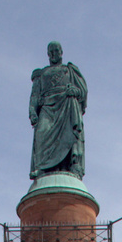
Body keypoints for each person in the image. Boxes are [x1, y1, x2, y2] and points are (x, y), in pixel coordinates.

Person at [29, 42, 87, 180]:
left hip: (66, 106)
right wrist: (32, 111)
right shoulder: (41, 74)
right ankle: (42, 168)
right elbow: (35, 95)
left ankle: (71, 166)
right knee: (42, 131)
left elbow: (82, 92)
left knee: (69, 135)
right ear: (48, 54)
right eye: (51, 52)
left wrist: (75, 91)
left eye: (56, 51)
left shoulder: (70, 70)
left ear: (61, 52)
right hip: (47, 107)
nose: (54, 54)